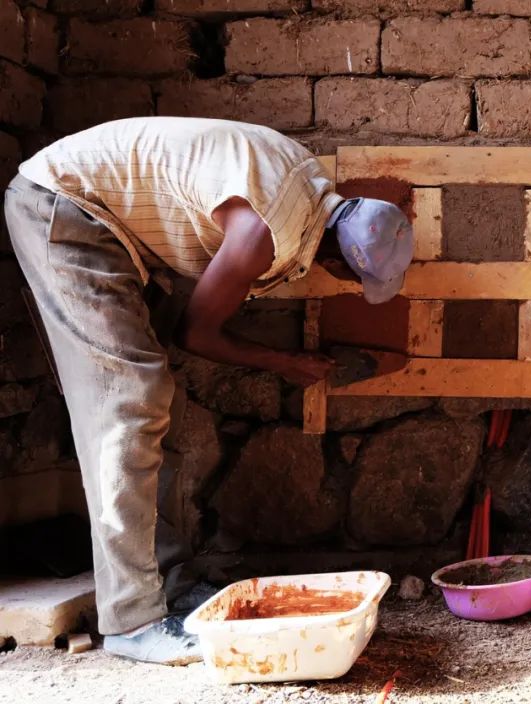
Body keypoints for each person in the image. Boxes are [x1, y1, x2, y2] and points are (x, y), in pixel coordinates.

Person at [3, 117, 414, 665]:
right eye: (349, 278)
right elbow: (196, 334)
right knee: (129, 401)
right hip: (66, 208)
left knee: (155, 402)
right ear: (337, 260)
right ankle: (131, 620)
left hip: (110, 226)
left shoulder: (311, 185)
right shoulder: (264, 235)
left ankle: (170, 585)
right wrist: (284, 362)